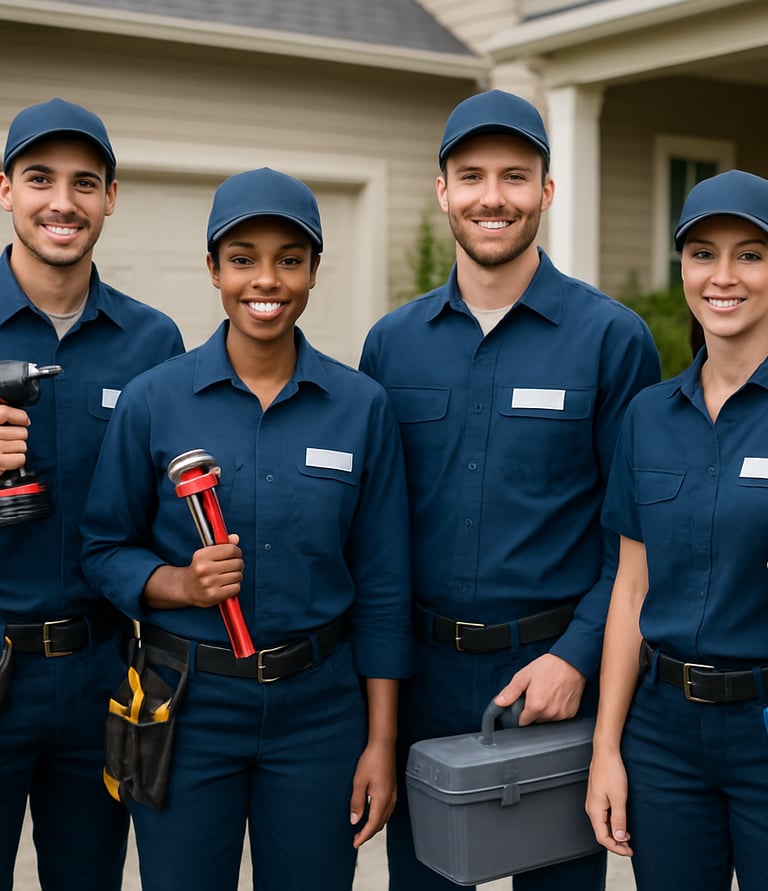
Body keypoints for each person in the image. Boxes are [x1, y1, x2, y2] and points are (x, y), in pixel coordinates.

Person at [359, 88, 661, 891]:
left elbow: (631, 532)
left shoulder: (612, 340)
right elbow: (375, 533)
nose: (493, 196)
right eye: (471, 176)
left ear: (546, 192)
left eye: (515, 176)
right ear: (443, 192)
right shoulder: (390, 346)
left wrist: (577, 654)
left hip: (553, 679)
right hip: (420, 680)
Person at [79, 167, 413, 890]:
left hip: (320, 711)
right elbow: (102, 546)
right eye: (243, 258)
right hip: (187, 702)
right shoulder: (153, 401)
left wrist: (380, 740)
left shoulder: (362, 407)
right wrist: (175, 582)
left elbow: (384, 585)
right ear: (212, 269)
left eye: (290, 258)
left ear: (315, 270)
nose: (267, 279)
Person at [0, 98, 184, 891]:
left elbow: (169, 520)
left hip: (104, 670)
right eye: (40, 178)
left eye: (85, 182)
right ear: (4, 189)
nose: (62, 202)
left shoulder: (155, 344)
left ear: (111, 197)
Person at [586, 169, 768, 891]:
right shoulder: (646, 417)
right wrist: (607, 748)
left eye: (751, 253)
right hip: (662, 737)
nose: (723, 276)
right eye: (702, 253)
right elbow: (631, 589)